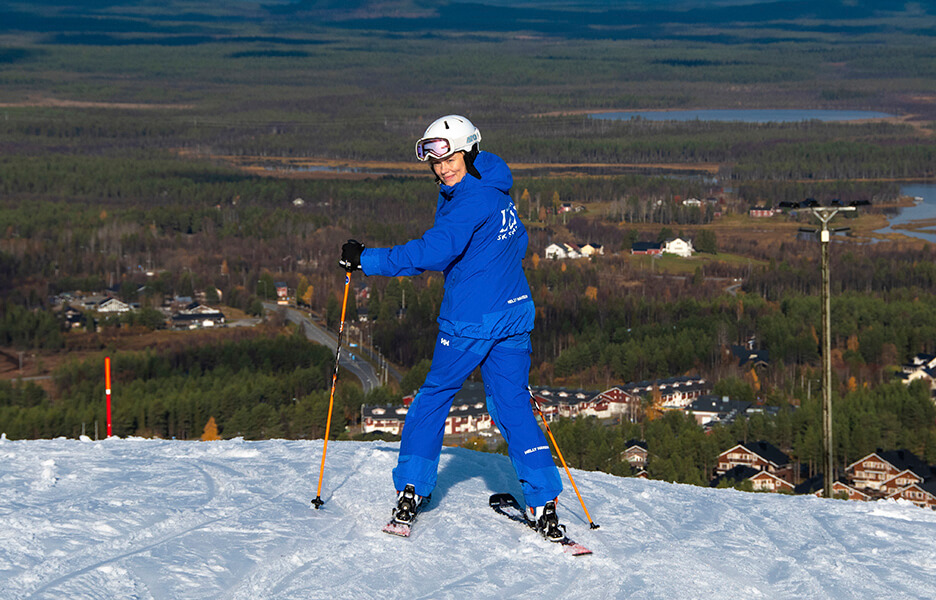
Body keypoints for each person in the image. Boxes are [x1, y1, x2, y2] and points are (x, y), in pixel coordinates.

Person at [339, 115, 565, 541]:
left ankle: (412, 489)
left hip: (470, 322)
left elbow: (432, 252)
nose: (443, 169)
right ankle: (543, 501)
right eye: (436, 162)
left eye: (451, 159)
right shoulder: (497, 189)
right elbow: (517, 245)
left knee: (433, 398)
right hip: (514, 315)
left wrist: (366, 259)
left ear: (470, 153)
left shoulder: (469, 199)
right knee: (513, 405)